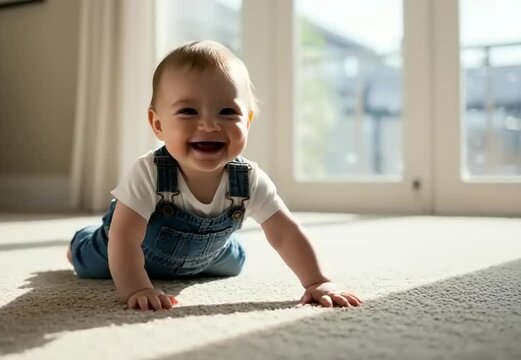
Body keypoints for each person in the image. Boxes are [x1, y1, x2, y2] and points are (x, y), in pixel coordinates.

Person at [68, 40, 362, 311]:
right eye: (188, 111)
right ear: (157, 124)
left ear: (247, 121)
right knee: (89, 263)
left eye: (226, 111)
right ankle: (80, 241)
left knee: (235, 264)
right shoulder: (149, 172)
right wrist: (138, 288)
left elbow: (286, 234)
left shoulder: (248, 179)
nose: (209, 124)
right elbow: (125, 237)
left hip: (210, 256)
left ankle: (214, 249)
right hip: (124, 247)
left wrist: (317, 281)